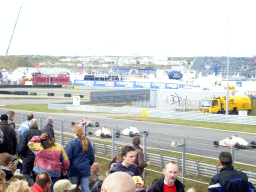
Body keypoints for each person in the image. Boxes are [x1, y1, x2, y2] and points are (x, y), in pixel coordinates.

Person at [65, 125, 95, 192]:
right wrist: (87, 165)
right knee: (85, 188)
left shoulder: (72, 143)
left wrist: (66, 167)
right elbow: (92, 157)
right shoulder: (88, 143)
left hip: (74, 170)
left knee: (73, 188)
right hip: (85, 169)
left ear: (75, 133)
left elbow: (67, 158)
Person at [19, 119, 42, 186]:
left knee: (25, 173)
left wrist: (23, 155)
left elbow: (22, 146)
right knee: (36, 173)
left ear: (29, 124)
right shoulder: (41, 133)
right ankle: (37, 186)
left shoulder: (26, 133)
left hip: (27, 156)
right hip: (38, 157)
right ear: (37, 125)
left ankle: (32, 186)